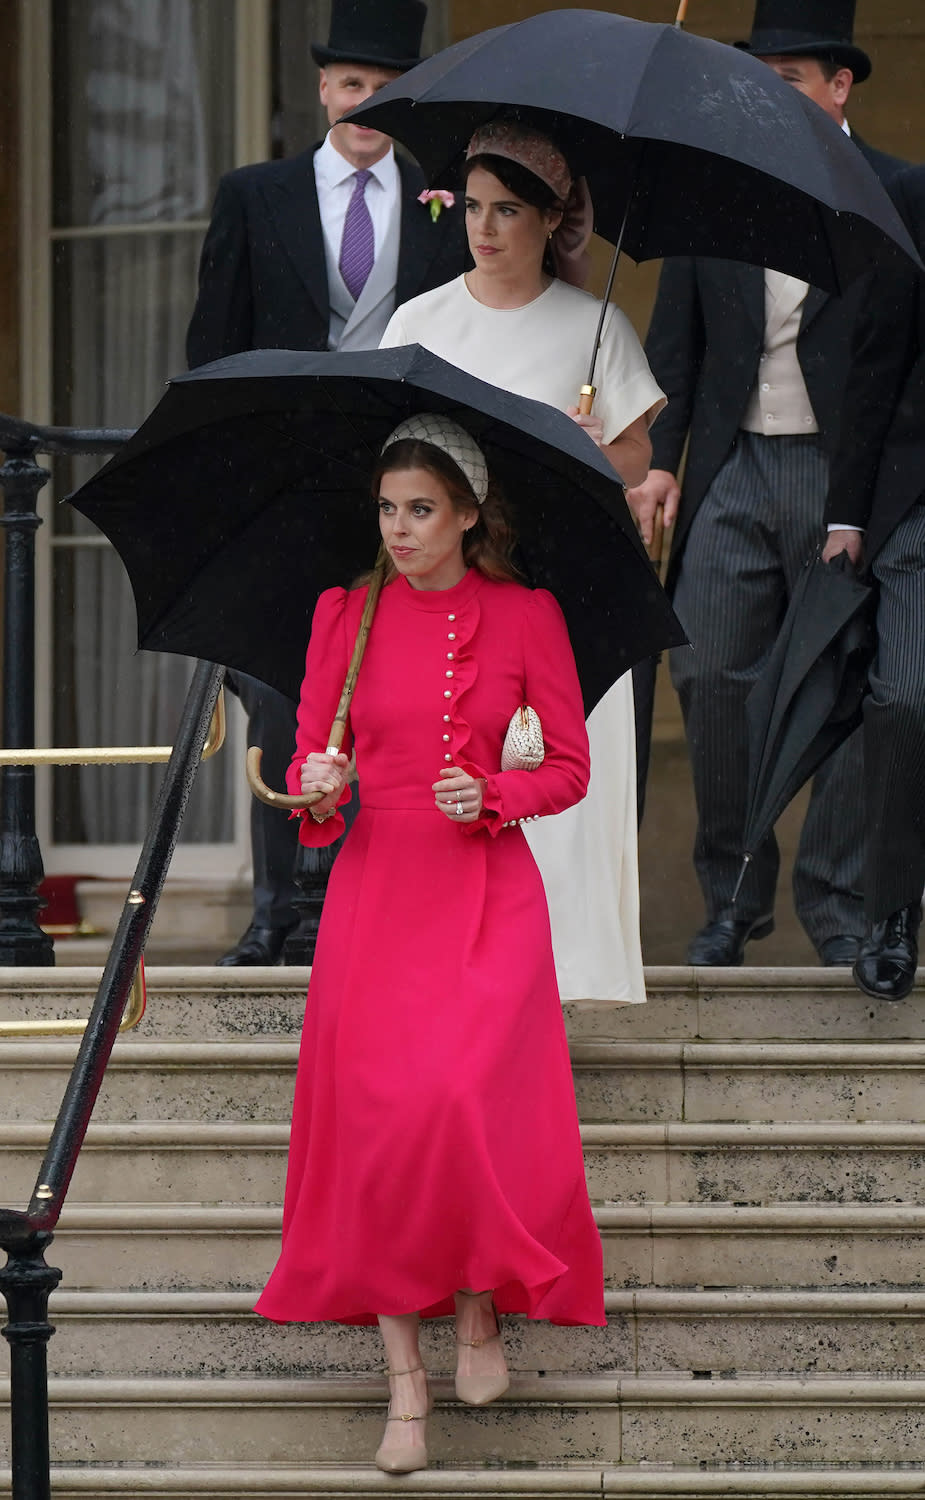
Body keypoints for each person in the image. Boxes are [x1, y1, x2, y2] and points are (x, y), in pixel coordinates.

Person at [255, 414, 605, 1473]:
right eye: (386, 509)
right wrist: (318, 784)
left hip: (484, 889)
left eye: (419, 510)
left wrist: (493, 791)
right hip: (377, 893)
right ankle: (406, 1384)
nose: (398, 528)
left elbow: (570, 769)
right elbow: (319, 762)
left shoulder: (525, 615)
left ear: (465, 516)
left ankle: (480, 1311)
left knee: (453, 1105)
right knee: (375, 1128)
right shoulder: (342, 616)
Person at [626, 0, 908, 968]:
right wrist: (662, 458)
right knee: (705, 670)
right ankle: (732, 891)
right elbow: (678, 337)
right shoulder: (719, 188)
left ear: (839, 86)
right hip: (734, 466)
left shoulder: (900, 194)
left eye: (787, 77)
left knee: (855, 689)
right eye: (757, 74)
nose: (766, 92)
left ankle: (832, 903)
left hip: (852, 475)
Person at [186, 0, 466, 965]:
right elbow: (210, 351)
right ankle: (278, 910)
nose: (365, 104)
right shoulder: (253, 194)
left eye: (387, 90)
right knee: (279, 683)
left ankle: (375, 909)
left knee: (398, 683)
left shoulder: (444, 199)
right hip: (281, 474)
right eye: (351, 85)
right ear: (321, 88)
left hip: (404, 471)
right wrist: (219, 477)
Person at [380, 120, 666, 1005]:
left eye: (507, 210)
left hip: (560, 589)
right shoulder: (417, 322)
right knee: (455, 770)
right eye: (472, 208)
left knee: (552, 782)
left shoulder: (596, 325)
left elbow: (635, 457)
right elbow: (386, 451)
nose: (486, 228)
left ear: (550, 220)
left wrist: (587, 448)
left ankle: (560, 975)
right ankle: (452, 972)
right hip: (451, 592)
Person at [823, 164, 925, 1001]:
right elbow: (875, 359)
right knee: (903, 699)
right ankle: (889, 911)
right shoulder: (915, 197)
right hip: (918, 510)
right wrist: (844, 513)